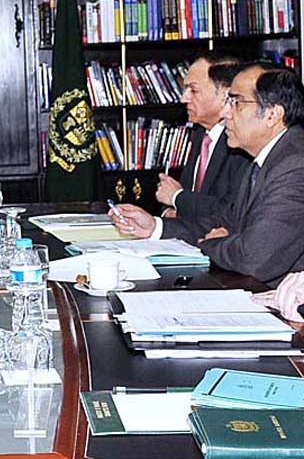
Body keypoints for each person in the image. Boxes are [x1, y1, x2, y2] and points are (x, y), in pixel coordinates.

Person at [111, 63, 304, 287]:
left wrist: (213, 243)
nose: (225, 113)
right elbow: (225, 220)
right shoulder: (267, 158)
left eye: (236, 102)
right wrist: (155, 227)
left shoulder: (294, 167)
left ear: (272, 114)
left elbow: (253, 257)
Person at [155, 54, 251, 218]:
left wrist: (178, 198)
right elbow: (180, 196)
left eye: (193, 90)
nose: (184, 98)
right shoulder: (200, 134)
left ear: (225, 95)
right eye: (185, 89)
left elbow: (231, 210)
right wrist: (170, 211)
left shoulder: (241, 143)